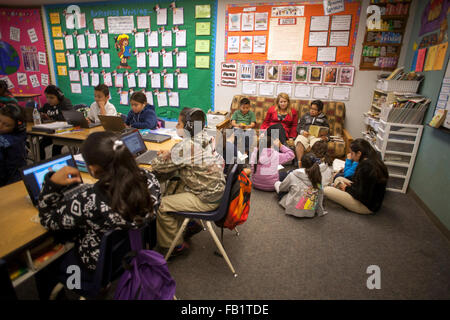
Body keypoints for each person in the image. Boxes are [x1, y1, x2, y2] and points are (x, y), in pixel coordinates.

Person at [37, 131, 161, 288]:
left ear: (93, 169)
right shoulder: (150, 180)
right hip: (132, 250)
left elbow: (48, 220)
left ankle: (71, 287)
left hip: (100, 266)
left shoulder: (91, 201)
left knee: (47, 265)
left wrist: (51, 184)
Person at [151, 108, 225, 256]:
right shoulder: (204, 136)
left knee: (162, 205)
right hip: (216, 189)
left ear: (188, 127)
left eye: (179, 124)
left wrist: (166, 155)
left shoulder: (186, 146)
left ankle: (174, 247)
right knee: (175, 184)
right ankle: (190, 224)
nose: (177, 127)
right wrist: (171, 154)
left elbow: (157, 165)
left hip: (207, 198)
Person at [324, 139, 389, 214]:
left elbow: (361, 196)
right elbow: (363, 185)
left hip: (366, 206)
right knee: (339, 179)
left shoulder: (366, 167)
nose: (351, 156)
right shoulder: (374, 160)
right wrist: (350, 186)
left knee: (326, 190)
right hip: (370, 199)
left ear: (358, 153)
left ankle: (342, 193)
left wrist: (346, 188)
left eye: (352, 154)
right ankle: (341, 190)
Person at [274, 153, 327, 218]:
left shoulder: (293, 174)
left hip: (293, 208)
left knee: (278, 183)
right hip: (310, 211)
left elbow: (282, 188)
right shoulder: (318, 177)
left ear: (300, 164)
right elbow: (320, 193)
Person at [250, 126, 295, 191]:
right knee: (288, 173)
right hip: (271, 186)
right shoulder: (275, 154)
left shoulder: (254, 152)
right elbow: (291, 155)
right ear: (271, 146)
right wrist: (281, 146)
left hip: (256, 184)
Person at [39, 85, 74, 159]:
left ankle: (56, 167)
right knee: (40, 145)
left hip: (64, 133)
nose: (48, 100)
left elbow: (69, 118)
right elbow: (38, 112)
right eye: (47, 97)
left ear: (59, 97)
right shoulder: (47, 106)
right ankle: (41, 164)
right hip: (52, 133)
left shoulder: (65, 103)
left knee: (55, 148)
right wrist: (40, 115)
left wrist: (50, 119)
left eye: (51, 97)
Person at [295, 100, 330, 167]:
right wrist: (302, 132)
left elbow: (328, 132)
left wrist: (326, 138)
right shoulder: (305, 116)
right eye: (311, 108)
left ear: (320, 111)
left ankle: (314, 166)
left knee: (318, 144)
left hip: (316, 137)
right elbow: (298, 127)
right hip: (305, 135)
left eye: (314, 109)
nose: (311, 111)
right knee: (299, 141)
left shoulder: (324, 119)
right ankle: (300, 164)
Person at [0, 104, 27, 187]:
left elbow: (13, 173)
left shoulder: (13, 143)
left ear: (15, 128)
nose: (0, 126)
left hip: (8, 182)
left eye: (6, 125)